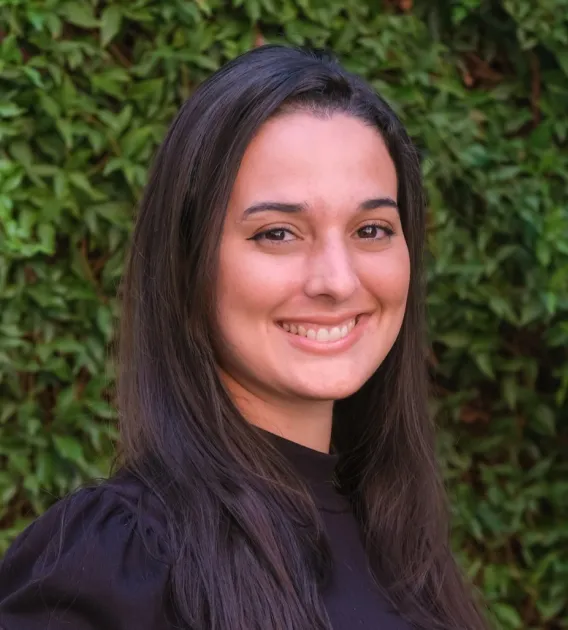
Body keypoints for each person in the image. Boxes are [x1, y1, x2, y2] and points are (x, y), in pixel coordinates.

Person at [0, 45, 489, 630]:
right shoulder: (117, 561)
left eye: (372, 229)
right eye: (278, 233)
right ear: (188, 264)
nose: (338, 279)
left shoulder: (397, 543)